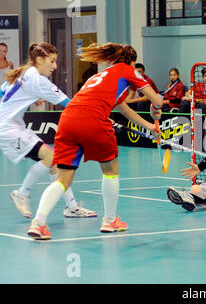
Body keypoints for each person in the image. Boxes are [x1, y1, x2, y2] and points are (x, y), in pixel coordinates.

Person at [26, 42, 164, 240]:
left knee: (63, 178)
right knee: (110, 171)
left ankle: (38, 223)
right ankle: (109, 220)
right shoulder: (127, 70)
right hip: (93, 120)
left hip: (67, 119)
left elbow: (124, 109)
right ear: (130, 61)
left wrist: (150, 127)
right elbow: (158, 101)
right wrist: (155, 110)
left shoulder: (100, 76)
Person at [0, 42, 96, 219]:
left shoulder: (23, 71)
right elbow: (70, 104)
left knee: (53, 164)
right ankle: (22, 193)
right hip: (8, 128)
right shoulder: (39, 80)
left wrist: (27, 98)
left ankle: (72, 207)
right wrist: (95, 114)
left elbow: (1, 92)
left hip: (12, 125)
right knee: (52, 158)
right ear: (39, 60)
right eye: (51, 61)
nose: (55, 66)